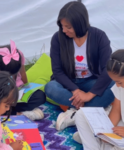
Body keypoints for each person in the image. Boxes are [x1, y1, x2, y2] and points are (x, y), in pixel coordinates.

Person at [45, 1, 114, 131]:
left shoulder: (99, 36)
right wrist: (76, 91)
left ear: (80, 24)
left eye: (68, 27)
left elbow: (107, 69)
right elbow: (57, 71)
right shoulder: (58, 38)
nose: (64, 30)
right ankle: (94, 110)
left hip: (91, 81)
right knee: (50, 87)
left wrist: (89, 95)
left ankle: (75, 115)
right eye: (62, 26)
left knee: (115, 86)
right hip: (67, 83)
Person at [0, 40, 46, 120]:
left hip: (16, 92)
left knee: (40, 96)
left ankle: (5, 111)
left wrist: (28, 89)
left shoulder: (18, 55)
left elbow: (23, 74)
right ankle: (18, 113)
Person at [74, 49, 124, 150]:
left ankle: (97, 142)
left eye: (120, 82)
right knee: (81, 114)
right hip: (120, 125)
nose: (118, 86)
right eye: (115, 82)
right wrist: (107, 132)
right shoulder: (119, 87)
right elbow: (117, 110)